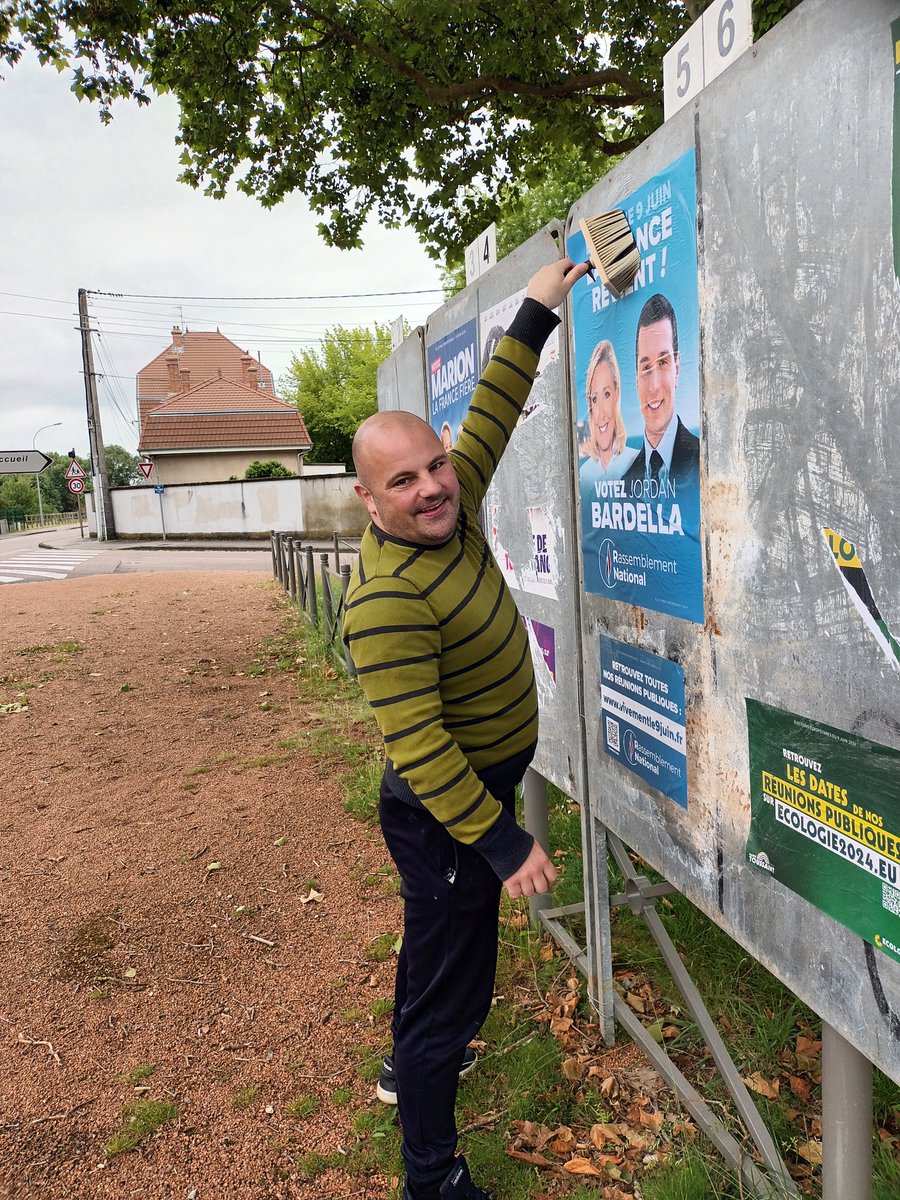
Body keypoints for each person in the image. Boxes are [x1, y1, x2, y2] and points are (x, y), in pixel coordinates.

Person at [343, 257, 588, 1200]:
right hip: (449, 814)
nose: (432, 488)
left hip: (464, 806)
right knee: (455, 994)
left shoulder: (455, 505)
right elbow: (421, 747)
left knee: (431, 952)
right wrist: (498, 841)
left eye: (436, 465)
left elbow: (490, 409)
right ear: (369, 499)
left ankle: (406, 1071)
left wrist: (535, 306)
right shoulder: (388, 599)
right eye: (402, 481)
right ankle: (431, 1174)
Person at [622, 292, 699, 492]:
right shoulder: (626, 482)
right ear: (636, 378)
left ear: (677, 367)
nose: (654, 385)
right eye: (646, 367)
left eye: (663, 362)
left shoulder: (703, 459)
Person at [578, 339, 637, 485]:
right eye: (595, 399)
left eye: (607, 394)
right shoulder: (584, 476)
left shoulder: (636, 464)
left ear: (617, 394)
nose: (601, 415)